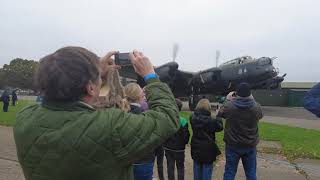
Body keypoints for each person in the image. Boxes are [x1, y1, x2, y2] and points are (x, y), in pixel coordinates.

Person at [13, 47, 180, 180]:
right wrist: (150, 75)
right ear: (91, 88)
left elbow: (50, 95)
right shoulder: (111, 126)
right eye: (98, 79)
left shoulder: (25, 118)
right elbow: (167, 117)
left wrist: (92, 72)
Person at [217, 83, 263, 180]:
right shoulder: (256, 107)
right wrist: (252, 99)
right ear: (250, 94)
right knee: (251, 173)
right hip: (250, 144)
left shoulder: (229, 106)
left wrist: (227, 99)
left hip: (232, 144)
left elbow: (220, 113)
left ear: (237, 93)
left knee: (230, 171)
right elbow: (260, 115)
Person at [125, 82, 155, 180]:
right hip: (143, 160)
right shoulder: (146, 117)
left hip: (125, 160)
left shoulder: (119, 114)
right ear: (140, 96)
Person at [190, 99, 223, 180]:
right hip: (208, 148)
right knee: (207, 169)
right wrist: (218, 116)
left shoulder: (192, 118)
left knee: (197, 167)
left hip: (196, 146)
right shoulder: (211, 121)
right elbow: (220, 127)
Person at [164, 98, 190, 180]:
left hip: (168, 147)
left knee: (170, 167)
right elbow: (186, 137)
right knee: (180, 168)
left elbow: (164, 134)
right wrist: (184, 143)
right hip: (179, 149)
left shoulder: (167, 119)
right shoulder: (183, 121)